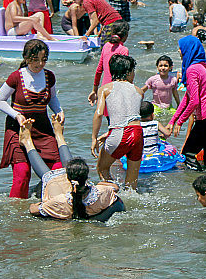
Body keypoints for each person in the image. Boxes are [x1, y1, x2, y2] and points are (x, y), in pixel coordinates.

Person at [0, 39, 64, 198]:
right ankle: (17, 214)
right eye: (35, 60)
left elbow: (52, 99)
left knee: (58, 169)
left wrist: (59, 111)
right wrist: (17, 115)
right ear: (26, 58)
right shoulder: (16, 77)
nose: (40, 63)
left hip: (43, 129)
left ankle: (53, 201)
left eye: (43, 59)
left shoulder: (49, 76)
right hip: (18, 130)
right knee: (23, 174)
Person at [21, 118, 125, 221]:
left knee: (48, 175)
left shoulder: (58, 202)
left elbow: (33, 210)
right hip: (77, 191)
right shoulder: (102, 193)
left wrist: (38, 205)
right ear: (86, 176)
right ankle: (58, 135)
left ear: (68, 177)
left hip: (57, 186)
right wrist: (99, 185)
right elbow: (115, 187)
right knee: (67, 168)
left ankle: (28, 141)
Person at [164, 36, 206, 170]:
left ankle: (196, 182)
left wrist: (180, 121)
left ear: (188, 50)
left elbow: (194, 101)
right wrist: (173, 120)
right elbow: (187, 98)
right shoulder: (202, 67)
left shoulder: (192, 70)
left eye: (180, 48)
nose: (179, 51)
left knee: (188, 154)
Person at [91, 54, 143, 189]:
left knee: (102, 168)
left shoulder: (106, 89)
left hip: (120, 132)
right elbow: (130, 118)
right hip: (138, 133)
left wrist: (94, 138)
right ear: (128, 72)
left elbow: (99, 114)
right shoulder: (139, 91)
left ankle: (113, 194)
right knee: (132, 183)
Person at [87, 21, 130, 102]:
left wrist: (94, 90)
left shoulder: (106, 46)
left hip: (104, 89)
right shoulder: (124, 50)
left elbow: (99, 70)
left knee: (106, 114)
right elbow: (125, 74)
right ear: (126, 35)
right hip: (117, 90)